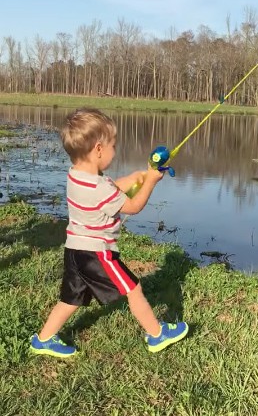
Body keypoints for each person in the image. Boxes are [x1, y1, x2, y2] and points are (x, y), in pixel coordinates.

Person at [30, 108, 188, 358]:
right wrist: (149, 183)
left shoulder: (77, 176)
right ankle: (157, 335)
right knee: (133, 289)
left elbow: (111, 187)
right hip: (97, 253)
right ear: (98, 149)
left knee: (71, 299)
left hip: (75, 250)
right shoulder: (99, 188)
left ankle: (44, 339)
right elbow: (132, 206)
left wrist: (137, 177)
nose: (116, 150)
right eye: (113, 145)